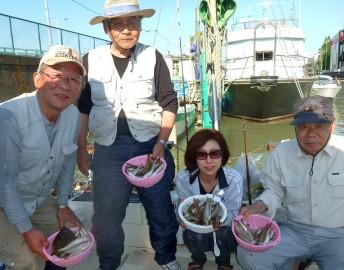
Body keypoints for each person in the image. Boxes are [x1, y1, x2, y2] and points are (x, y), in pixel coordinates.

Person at [76, 0, 179, 269]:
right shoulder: (91, 59)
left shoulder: (153, 56)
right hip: (108, 151)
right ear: (107, 29)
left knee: (160, 210)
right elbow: (83, 108)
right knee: (106, 217)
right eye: (118, 24)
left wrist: (161, 142)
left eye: (132, 23)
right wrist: (80, 148)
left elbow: (169, 102)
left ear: (140, 27)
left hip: (149, 147)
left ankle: (166, 259)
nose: (126, 30)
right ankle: (108, 265)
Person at [236, 95, 344, 270]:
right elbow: (274, 192)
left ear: (332, 126)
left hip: (336, 235)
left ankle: (297, 261)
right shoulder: (281, 154)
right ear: (295, 128)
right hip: (293, 230)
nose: (311, 134)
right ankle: (294, 261)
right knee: (247, 256)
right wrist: (256, 206)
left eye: (319, 126)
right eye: (303, 127)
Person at [0, 44, 86, 270]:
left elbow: (68, 163)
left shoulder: (73, 115)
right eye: (56, 76)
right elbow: (6, 182)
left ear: (79, 88)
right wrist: (26, 229)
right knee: (27, 261)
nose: (65, 85)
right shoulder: (9, 117)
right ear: (38, 79)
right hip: (1, 202)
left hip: (36, 200)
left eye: (73, 79)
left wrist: (63, 204)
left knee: (69, 243)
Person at [175, 129, 243, 270]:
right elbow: (183, 208)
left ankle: (224, 262)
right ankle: (198, 259)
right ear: (194, 157)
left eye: (214, 153)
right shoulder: (183, 178)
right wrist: (181, 216)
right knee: (190, 232)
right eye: (201, 154)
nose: (209, 161)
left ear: (222, 154)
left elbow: (232, 214)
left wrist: (219, 221)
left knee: (224, 233)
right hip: (197, 227)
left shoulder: (234, 179)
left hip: (222, 229)